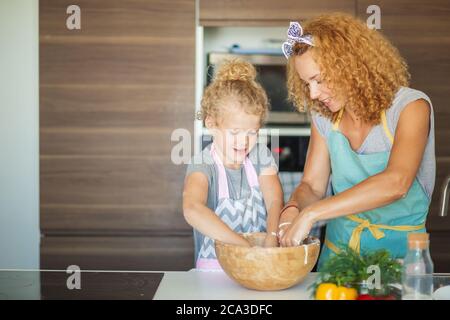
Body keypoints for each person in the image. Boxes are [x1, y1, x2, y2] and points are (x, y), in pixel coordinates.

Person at [277, 13, 435, 270]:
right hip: (338, 258)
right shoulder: (325, 117)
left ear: (349, 65)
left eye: (320, 79)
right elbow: (312, 186)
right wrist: (293, 209)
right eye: (307, 84)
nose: (314, 94)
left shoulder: (410, 107)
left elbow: (397, 183)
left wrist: (312, 213)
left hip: (399, 261)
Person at [183, 59, 283, 270]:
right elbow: (192, 209)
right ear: (211, 123)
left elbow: (274, 201)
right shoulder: (204, 164)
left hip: (260, 265)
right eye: (235, 132)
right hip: (215, 270)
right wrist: (245, 247)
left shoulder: (260, 155)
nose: (243, 141)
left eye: (252, 133)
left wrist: (271, 238)